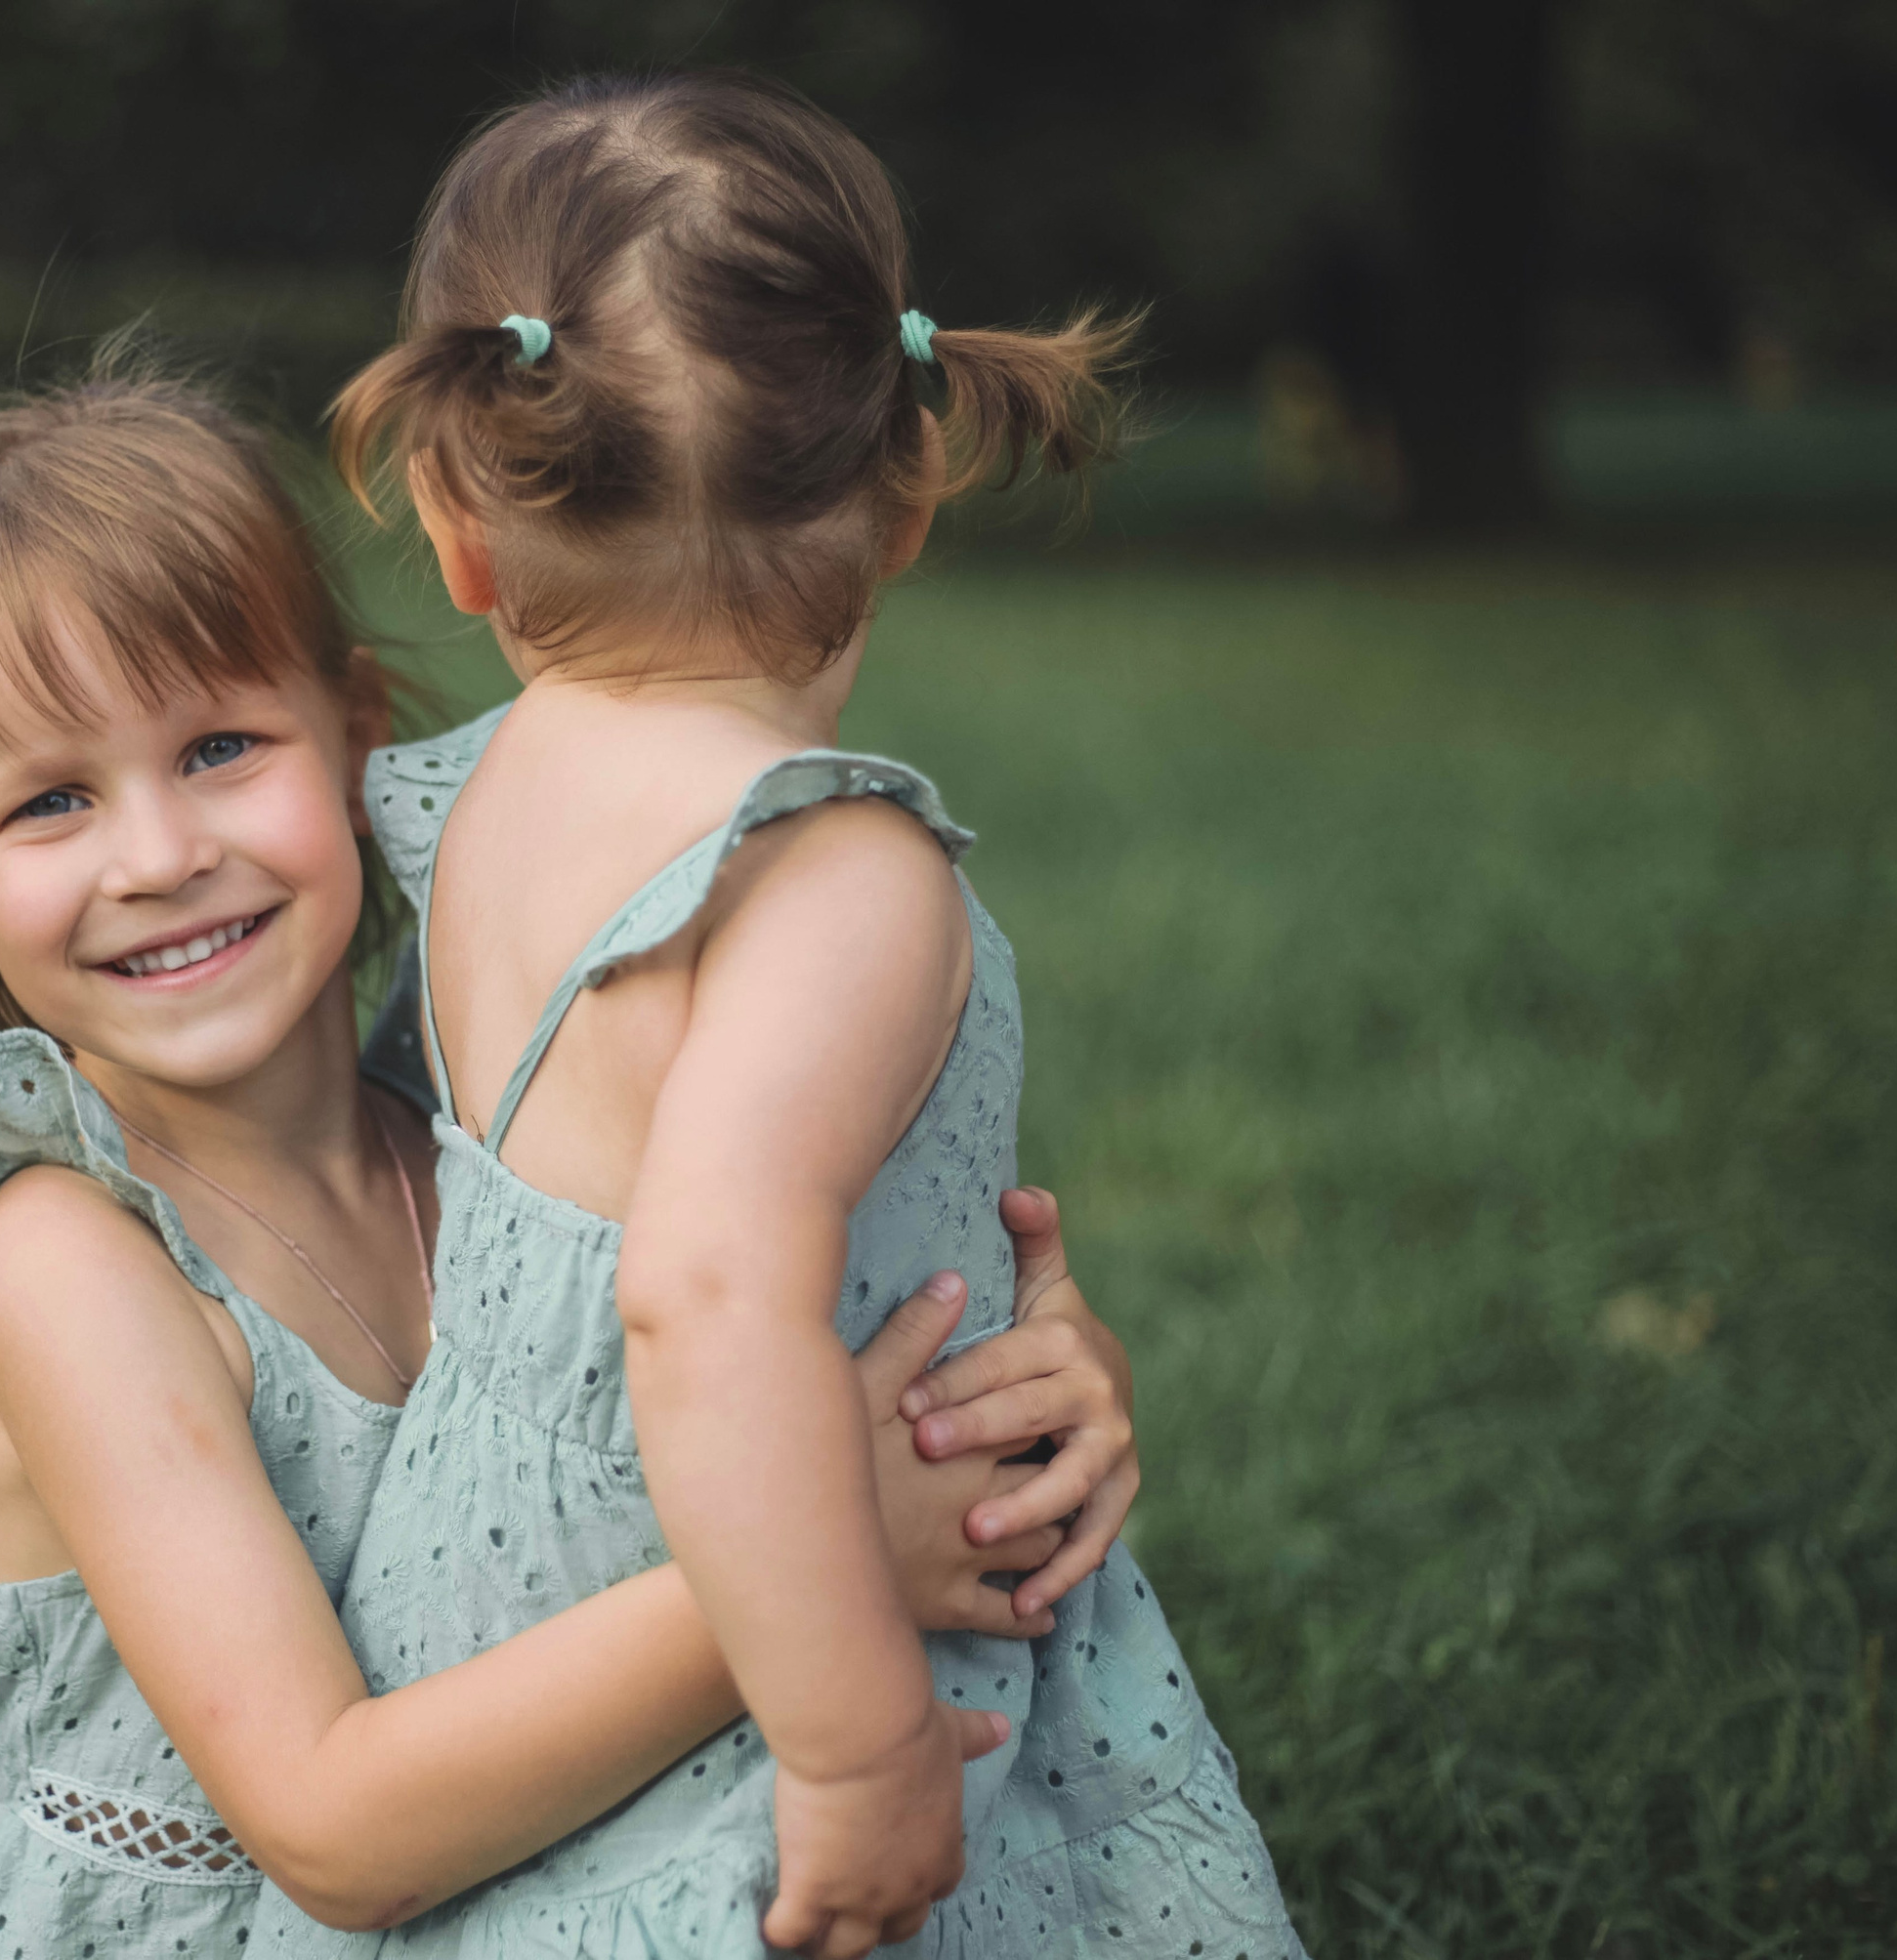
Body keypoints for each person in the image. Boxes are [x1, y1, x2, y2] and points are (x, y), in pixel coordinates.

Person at [0, 370, 1145, 1956]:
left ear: (355, 735)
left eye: (220, 748)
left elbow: (726, 1383)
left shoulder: (460, 1137)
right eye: (52, 800)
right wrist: (831, 1558)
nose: (162, 857)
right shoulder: (72, 1267)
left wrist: (1007, 1399)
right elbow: (330, 1830)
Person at [262, 70, 1302, 1960]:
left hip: (497, 1596)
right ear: (907, 491)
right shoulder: (840, 874)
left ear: (453, 520)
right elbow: (706, 1292)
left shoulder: (470, 800)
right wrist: (848, 1740)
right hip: (780, 1589)